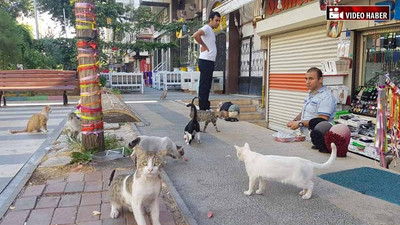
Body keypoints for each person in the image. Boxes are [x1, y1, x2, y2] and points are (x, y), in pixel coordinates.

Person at [286, 67, 337, 133]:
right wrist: (295, 121)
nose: (307, 82)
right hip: (306, 136)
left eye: (311, 79)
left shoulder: (326, 97)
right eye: (306, 79)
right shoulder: (310, 94)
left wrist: (300, 123)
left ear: (320, 79)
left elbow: (321, 120)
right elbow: (305, 111)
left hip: (317, 138)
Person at [193, 11, 221, 110]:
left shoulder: (210, 30)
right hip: (206, 61)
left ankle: (204, 105)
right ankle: (203, 106)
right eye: (216, 20)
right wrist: (204, 45)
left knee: (207, 84)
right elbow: (196, 35)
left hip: (208, 61)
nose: (218, 23)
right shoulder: (207, 28)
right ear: (211, 20)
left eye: (219, 21)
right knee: (205, 85)